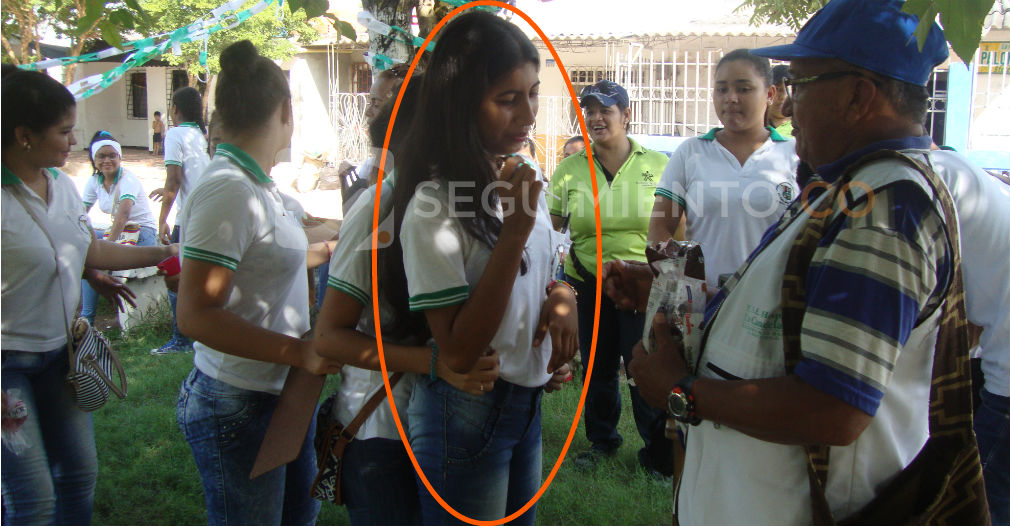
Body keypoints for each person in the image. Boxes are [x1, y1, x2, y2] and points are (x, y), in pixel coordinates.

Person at [618, 0, 965, 523]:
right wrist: (692, 299)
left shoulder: (884, 206)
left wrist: (682, 390)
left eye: (800, 85)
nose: (788, 106)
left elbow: (835, 408)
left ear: (857, 96)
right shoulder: (843, 189)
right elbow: (792, 310)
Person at [385, 12, 578, 524]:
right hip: (464, 414)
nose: (529, 114)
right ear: (461, 104)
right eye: (508, 99)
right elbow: (460, 350)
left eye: (533, 93)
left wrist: (562, 296)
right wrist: (513, 234)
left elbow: (541, 267)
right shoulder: (434, 203)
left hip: (526, 405)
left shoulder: (523, 174)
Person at [313, 79, 507, 525]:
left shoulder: (461, 201)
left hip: (438, 423)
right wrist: (438, 363)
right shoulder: (379, 206)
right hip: (382, 431)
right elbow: (329, 337)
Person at [173, 40, 340, 526]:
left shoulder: (259, 186)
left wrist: (338, 246)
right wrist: (298, 353)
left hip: (280, 391)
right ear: (287, 110)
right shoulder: (228, 188)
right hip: (237, 402)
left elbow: (269, 263)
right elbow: (195, 315)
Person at [1, 66, 175, 526]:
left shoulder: (59, 185)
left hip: (62, 355)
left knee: (79, 475)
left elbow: (85, 245)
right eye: (62, 130)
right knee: (31, 498)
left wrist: (161, 251)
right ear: (22, 135)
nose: (73, 139)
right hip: (7, 367)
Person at [547, 79, 674, 476]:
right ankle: (602, 440)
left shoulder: (657, 164)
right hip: (587, 281)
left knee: (642, 364)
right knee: (598, 366)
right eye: (590, 110)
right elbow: (549, 232)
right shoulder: (569, 170)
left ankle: (657, 451)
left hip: (640, 287)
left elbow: (678, 230)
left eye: (606, 109)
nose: (596, 117)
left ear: (626, 115)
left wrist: (669, 283)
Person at [650, 49, 799, 291]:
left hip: (772, 307)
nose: (730, 98)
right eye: (721, 89)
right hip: (704, 311)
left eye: (743, 88)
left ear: (770, 94)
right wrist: (680, 288)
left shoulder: (793, 154)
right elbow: (659, 227)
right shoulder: (691, 152)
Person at [149, 86, 210, 356]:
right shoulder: (201, 133)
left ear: (175, 109)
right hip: (208, 212)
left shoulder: (174, 133)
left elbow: (173, 179)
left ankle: (182, 340)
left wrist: (162, 220)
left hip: (190, 216)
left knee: (174, 274)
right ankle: (200, 335)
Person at [79, 134, 159, 325]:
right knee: (81, 245)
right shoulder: (94, 182)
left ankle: (87, 318)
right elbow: (80, 214)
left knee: (94, 257)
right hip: (120, 233)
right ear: (94, 159)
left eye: (112, 155)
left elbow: (123, 216)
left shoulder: (127, 179)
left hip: (142, 233)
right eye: (101, 156)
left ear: (120, 158)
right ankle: (84, 314)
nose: (107, 160)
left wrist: (105, 248)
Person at [767, 64, 793, 137]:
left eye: (788, 90)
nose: (783, 96)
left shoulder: (800, 129)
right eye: (778, 89)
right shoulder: (757, 127)